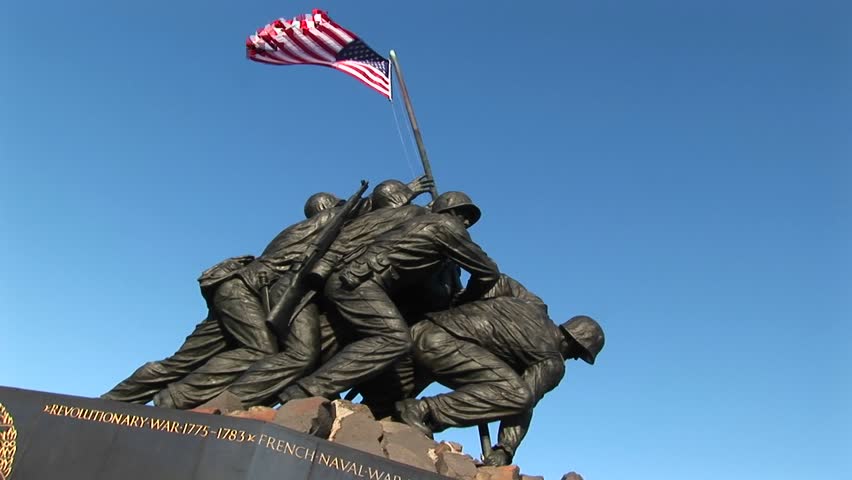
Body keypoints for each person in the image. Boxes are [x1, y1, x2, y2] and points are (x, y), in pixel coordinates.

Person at [101, 191, 345, 406]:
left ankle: (111, 402)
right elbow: (354, 212)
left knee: (182, 361)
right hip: (241, 292)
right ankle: (176, 397)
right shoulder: (326, 220)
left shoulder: (298, 231)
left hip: (235, 291)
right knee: (260, 350)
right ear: (327, 208)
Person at [276, 191, 500, 403]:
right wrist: (466, 300)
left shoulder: (420, 223)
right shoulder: (446, 226)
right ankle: (308, 389)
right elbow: (488, 271)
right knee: (395, 339)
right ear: (449, 212)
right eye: (464, 214)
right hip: (359, 283)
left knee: (333, 337)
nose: (467, 222)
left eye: (470, 218)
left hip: (354, 281)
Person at [395, 278, 605, 467]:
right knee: (518, 393)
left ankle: (397, 414)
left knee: (383, 408)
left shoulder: (533, 303)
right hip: (442, 349)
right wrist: (505, 449)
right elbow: (522, 403)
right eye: (580, 354)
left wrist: (464, 308)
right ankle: (424, 410)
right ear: (575, 344)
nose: (576, 358)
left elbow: (499, 281)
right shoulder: (552, 361)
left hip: (421, 330)